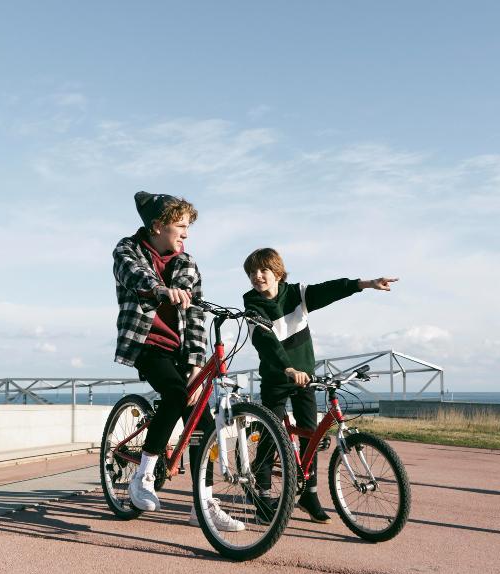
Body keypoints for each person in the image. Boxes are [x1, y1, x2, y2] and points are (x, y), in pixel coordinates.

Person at [112, 191, 244, 531]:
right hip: (147, 345)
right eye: (180, 227)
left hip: (181, 351)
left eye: (188, 228)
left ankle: (203, 505)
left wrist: (198, 362)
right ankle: (142, 477)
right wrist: (159, 290)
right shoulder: (127, 250)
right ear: (158, 226)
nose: (185, 234)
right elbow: (135, 276)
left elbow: (197, 315)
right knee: (174, 393)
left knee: (202, 424)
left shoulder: (187, 263)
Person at [242, 247, 398, 522]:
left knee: (310, 435)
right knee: (272, 435)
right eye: (252, 272)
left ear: (277, 272)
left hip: (306, 378)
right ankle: (263, 496)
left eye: (263, 270)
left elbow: (330, 290)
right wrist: (287, 368)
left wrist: (365, 284)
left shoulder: (296, 294)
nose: (257, 276)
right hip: (277, 379)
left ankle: (309, 495)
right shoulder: (252, 305)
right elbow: (265, 341)